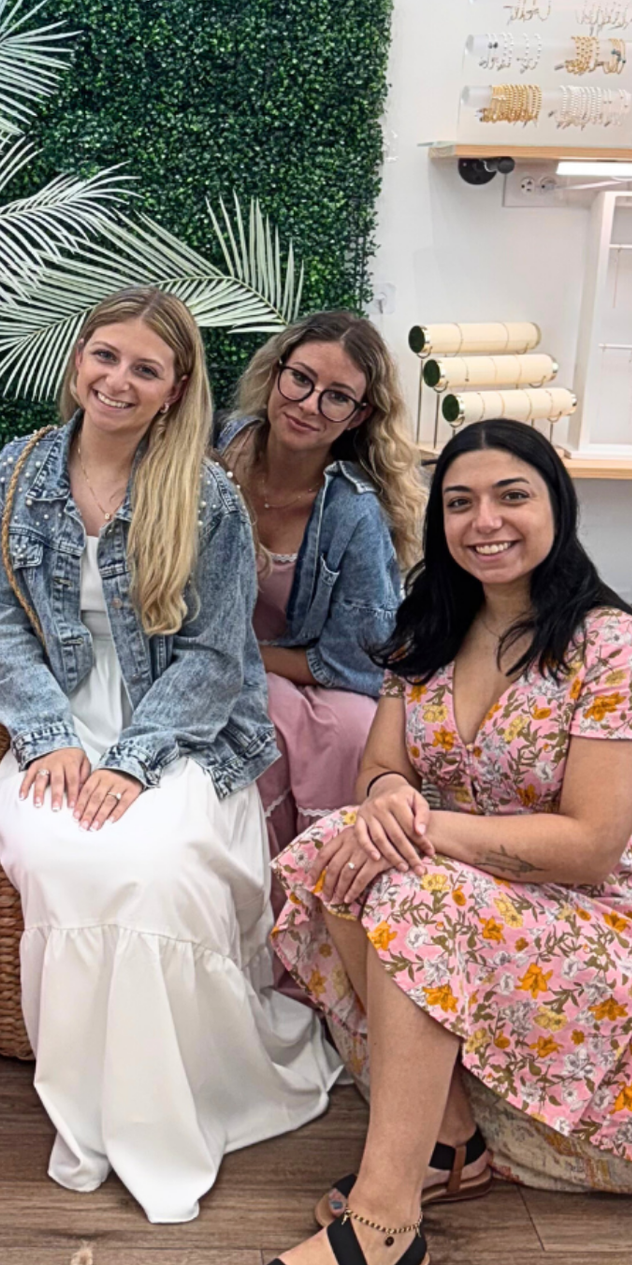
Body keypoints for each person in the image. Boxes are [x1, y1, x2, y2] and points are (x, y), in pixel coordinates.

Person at [236, 419, 632, 1265]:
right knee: (332, 855)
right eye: (459, 503)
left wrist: (423, 830)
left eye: (510, 496)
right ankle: (451, 1141)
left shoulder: (612, 647)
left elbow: (591, 847)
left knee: (409, 891)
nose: (483, 521)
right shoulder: (429, 629)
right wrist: (384, 803)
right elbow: (382, 767)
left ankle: (385, 1225)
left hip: (601, 913)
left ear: (556, 507)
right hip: (471, 885)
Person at [0, 287, 339, 1225]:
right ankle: (92, 1118)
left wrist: (131, 761)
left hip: (179, 730)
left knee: (152, 867)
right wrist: (50, 739)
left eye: (146, 369)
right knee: (62, 859)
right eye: (105, 357)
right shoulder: (14, 474)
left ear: (176, 390)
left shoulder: (205, 496)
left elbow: (216, 658)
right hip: (54, 721)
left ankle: (181, 1111)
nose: (118, 381)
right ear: (77, 360)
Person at [219, 312, 422, 857]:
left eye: (337, 397)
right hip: (204, 658)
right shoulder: (210, 456)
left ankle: (317, 884)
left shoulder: (354, 512)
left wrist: (244, 655)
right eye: (301, 379)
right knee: (252, 709)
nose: (309, 405)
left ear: (360, 415)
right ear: (276, 372)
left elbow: (360, 662)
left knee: (354, 729)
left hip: (304, 674)